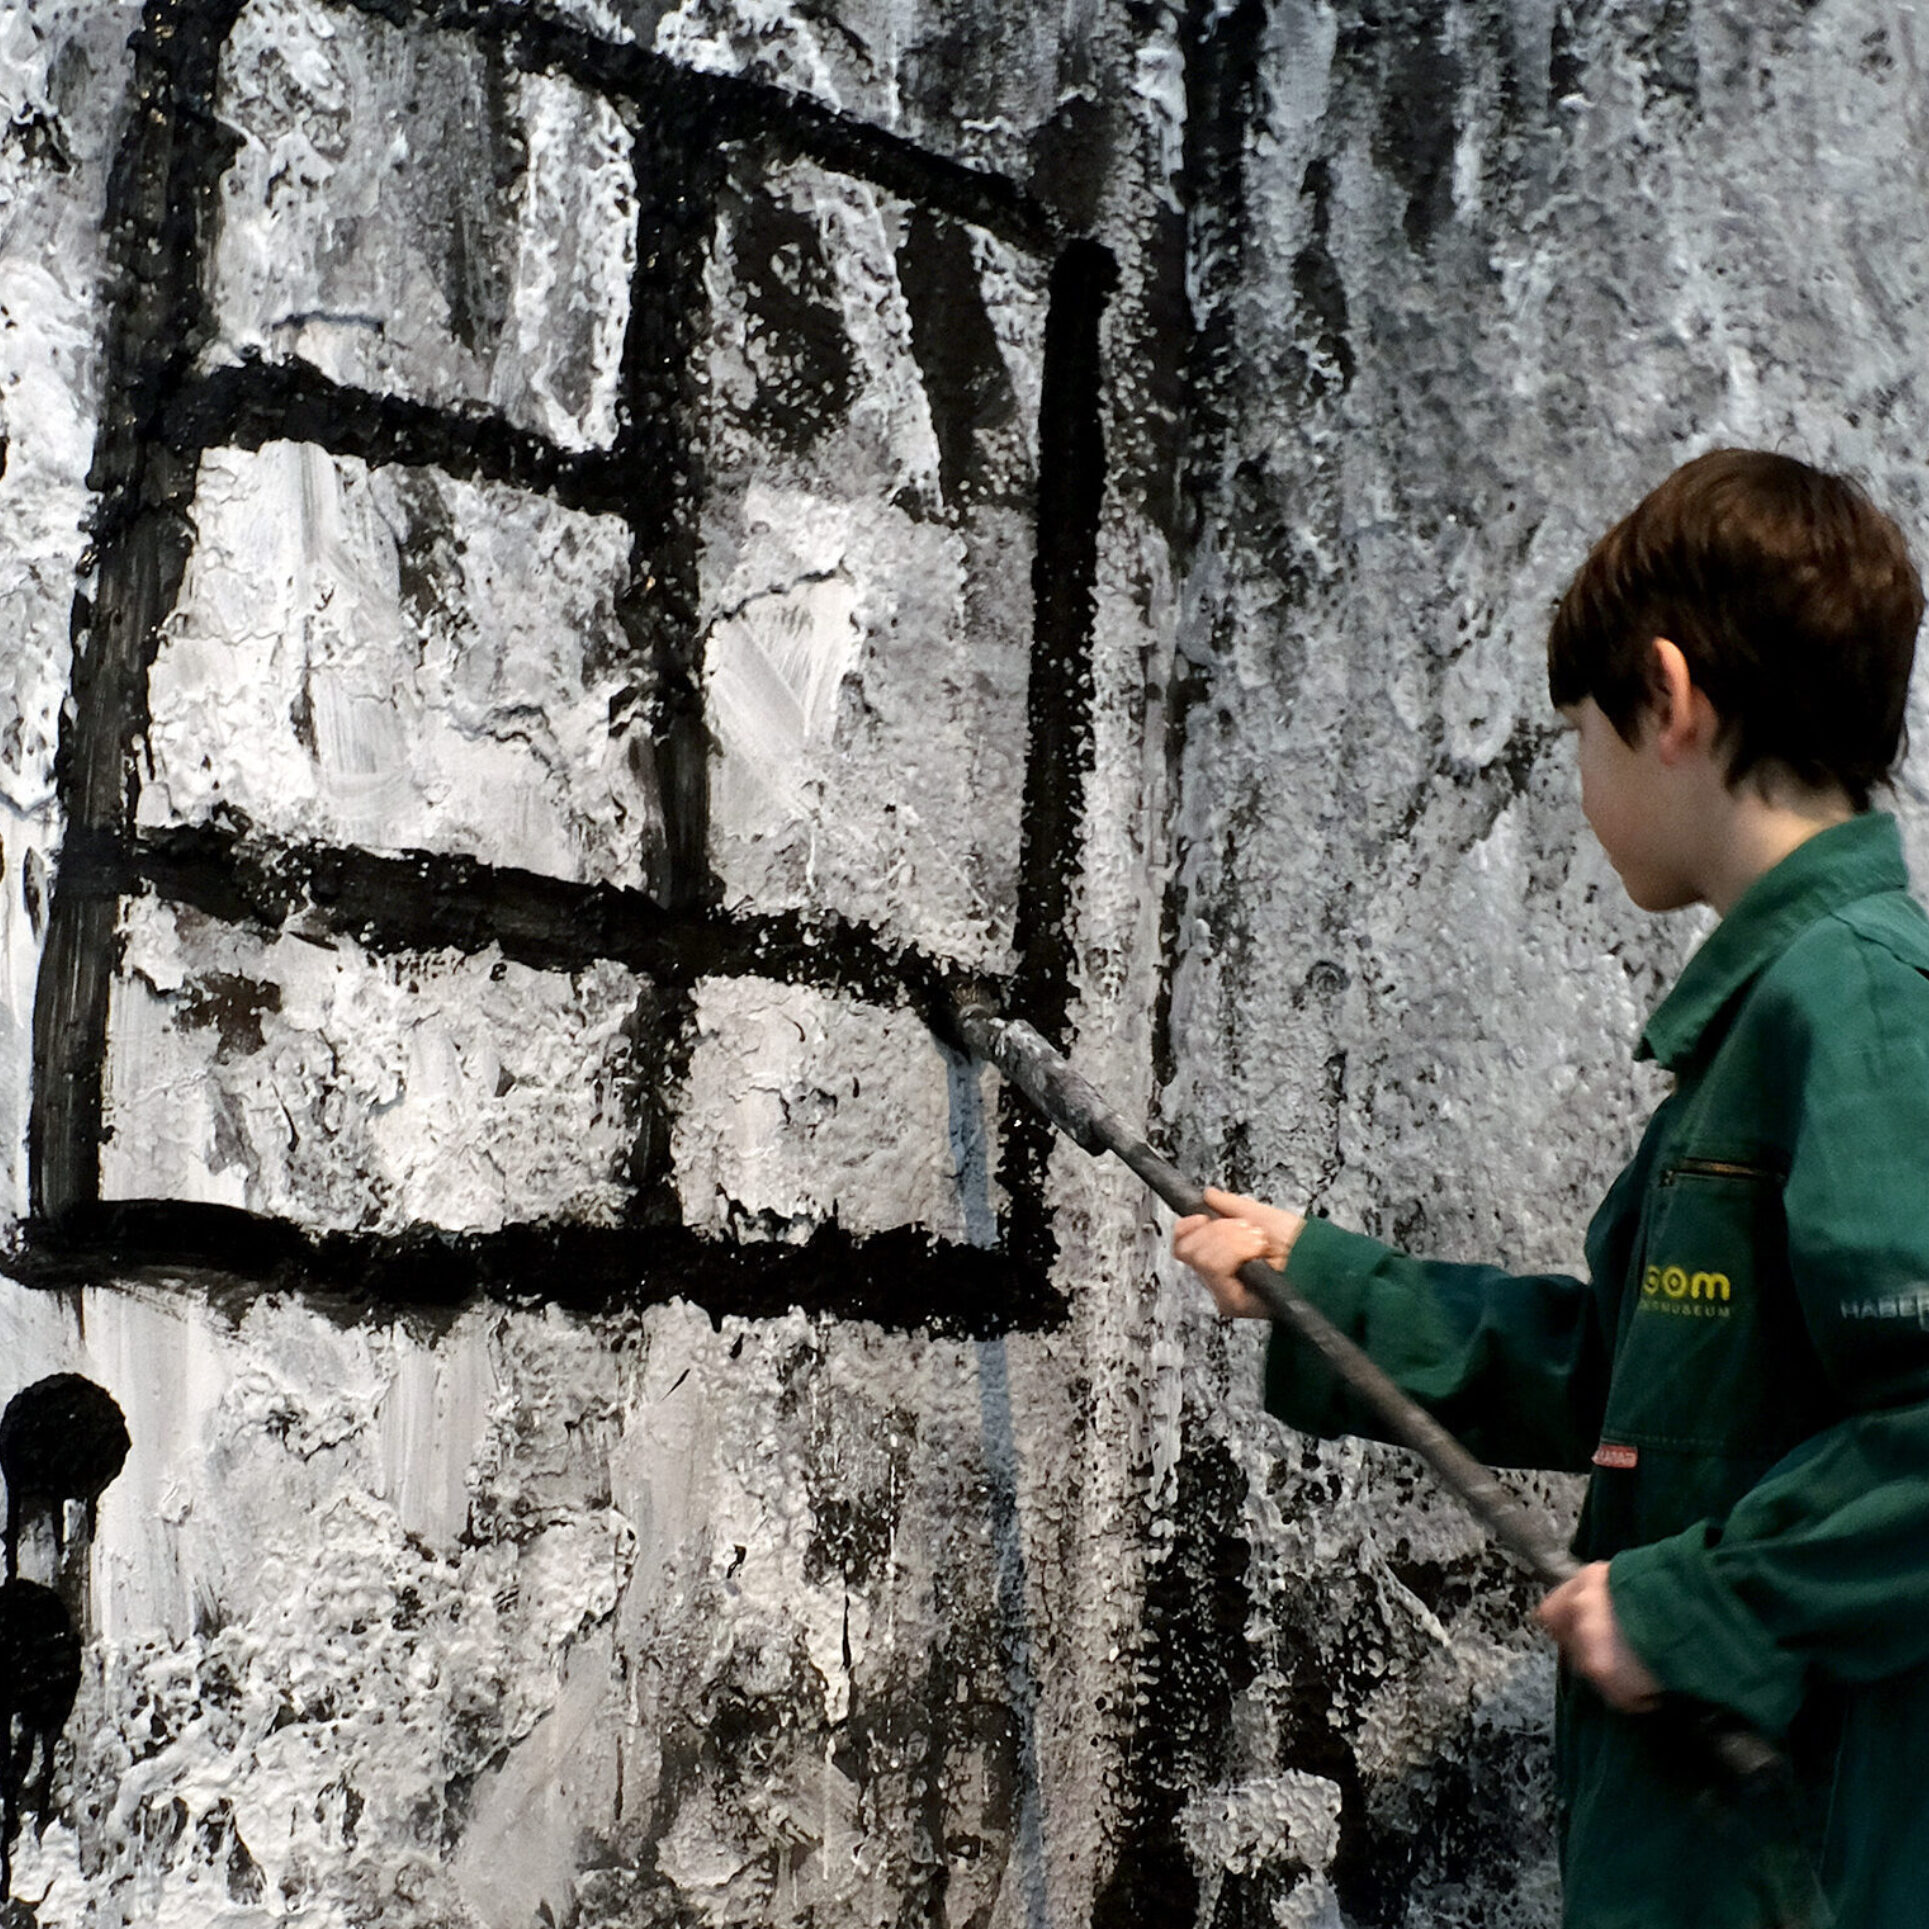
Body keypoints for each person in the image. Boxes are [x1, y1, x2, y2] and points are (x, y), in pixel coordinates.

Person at [1173, 448, 1929, 1929]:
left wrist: (1694, 1607)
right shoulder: (1771, 1020)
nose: (1581, 787)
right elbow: (1632, 1384)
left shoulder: (1857, 1001)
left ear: (1667, 696)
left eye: (1581, 734)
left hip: (1803, 1875)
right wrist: (1327, 1285)